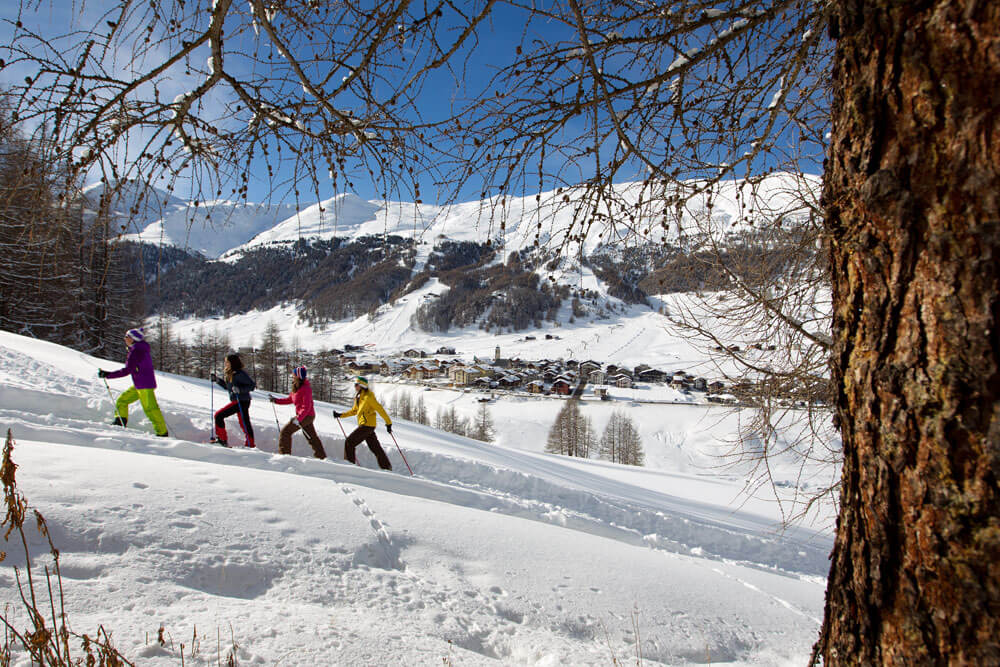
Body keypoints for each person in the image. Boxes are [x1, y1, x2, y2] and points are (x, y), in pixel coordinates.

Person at [99, 328, 169, 437]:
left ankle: (162, 433)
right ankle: (119, 422)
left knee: (151, 409)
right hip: (140, 384)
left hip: (144, 385)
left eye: (127, 337)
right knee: (122, 400)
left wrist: (108, 375)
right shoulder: (138, 349)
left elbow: (128, 370)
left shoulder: (136, 351)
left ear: (133, 339)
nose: (125, 339)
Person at [333, 376, 393, 470]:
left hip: (367, 425)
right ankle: (386, 467)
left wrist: (388, 423)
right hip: (366, 426)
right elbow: (354, 411)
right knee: (375, 448)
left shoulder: (369, 397)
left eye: (356, 385)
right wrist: (340, 415)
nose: (355, 387)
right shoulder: (359, 397)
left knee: (349, 442)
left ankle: (349, 466)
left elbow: (380, 409)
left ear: (361, 386)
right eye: (355, 385)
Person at [270, 366, 326, 459]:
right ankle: (322, 456)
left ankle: (284, 456)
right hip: (304, 416)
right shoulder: (296, 387)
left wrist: (298, 419)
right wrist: (275, 400)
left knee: (285, 432)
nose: (292, 376)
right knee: (311, 437)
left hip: (306, 416)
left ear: (298, 376)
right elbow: (289, 400)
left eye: (294, 374)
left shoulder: (305, 389)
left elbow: (306, 407)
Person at [211, 353, 256, 448]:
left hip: (241, 401)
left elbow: (251, 385)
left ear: (232, 362)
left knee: (219, 415)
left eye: (227, 362)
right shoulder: (231, 373)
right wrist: (217, 380)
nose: (225, 364)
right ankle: (250, 444)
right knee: (244, 422)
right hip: (237, 400)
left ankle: (222, 440)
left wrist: (240, 390)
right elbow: (229, 387)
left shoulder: (240, 373)